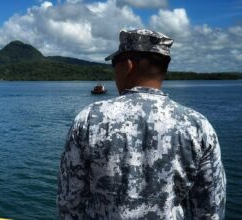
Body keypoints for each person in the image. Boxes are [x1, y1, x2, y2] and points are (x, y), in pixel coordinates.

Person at [57, 29, 226, 219]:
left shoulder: (89, 119)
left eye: (115, 63)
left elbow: (69, 202)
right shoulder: (198, 126)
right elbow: (210, 209)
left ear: (128, 65)